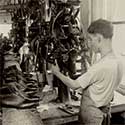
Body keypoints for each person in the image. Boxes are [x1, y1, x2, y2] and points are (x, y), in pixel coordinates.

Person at [52, 19, 123, 125]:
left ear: (99, 38)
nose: (88, 43)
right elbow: (103, 81)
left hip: (92, 115)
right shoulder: (118, 61)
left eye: (90, 39)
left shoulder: (101, 66)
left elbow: (75, 85)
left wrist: (57, 72)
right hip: (104, 113)